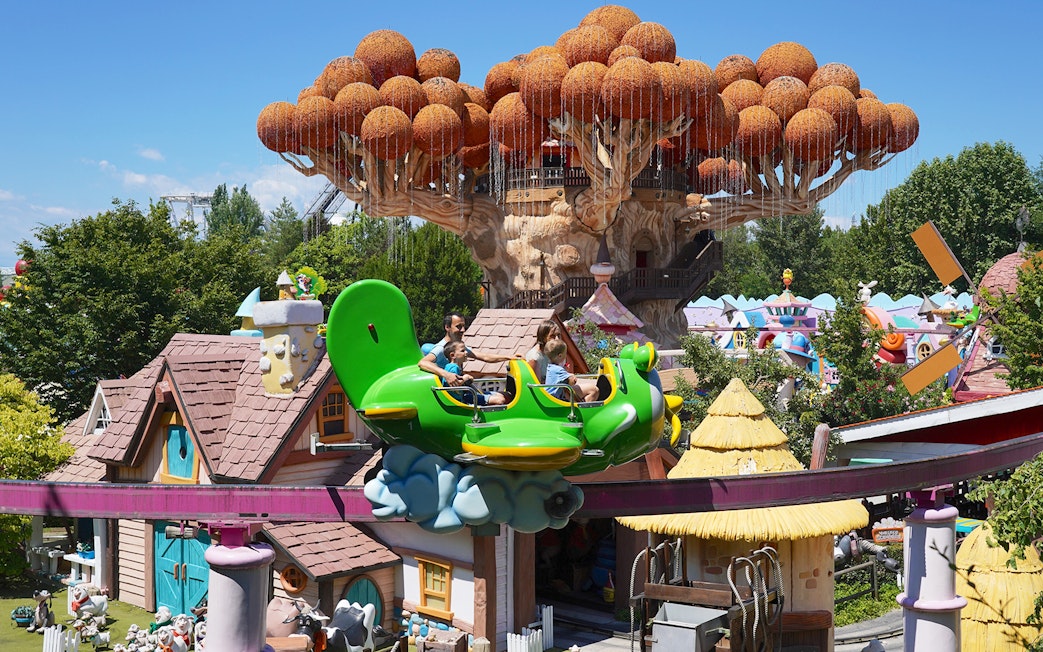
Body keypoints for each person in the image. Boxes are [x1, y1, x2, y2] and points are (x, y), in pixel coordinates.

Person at [420, 312, 516, 393]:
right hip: (451, 394)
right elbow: (423, 363)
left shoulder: (457, 346)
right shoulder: (441, 348)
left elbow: (484, 357)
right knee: (499, 400)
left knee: (503, 395)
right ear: (447, 327)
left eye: (463, 326)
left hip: (460, 390)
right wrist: (447, 375)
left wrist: (509, 357)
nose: (463, 330)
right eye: (458, 327)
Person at [442, 341, 505, 405]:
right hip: (462, 399)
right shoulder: (453, 367)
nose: (466, 352)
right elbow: (452, 383)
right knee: (500, 400)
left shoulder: (454, 366)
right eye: (463, 351)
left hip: (464, 395)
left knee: (500, 395)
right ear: (452, 355)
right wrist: (465, 378)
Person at [525, 319, 561, 383]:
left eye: (558, 335)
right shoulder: (535, 358)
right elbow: (537, 385)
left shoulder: (552, 353)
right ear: (543, 337)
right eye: (552, 336)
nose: (557, 339)